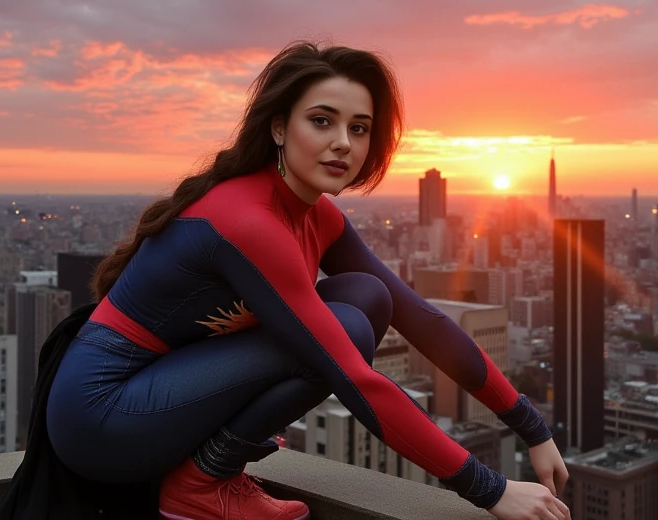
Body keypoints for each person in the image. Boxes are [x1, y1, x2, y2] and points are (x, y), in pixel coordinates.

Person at [45, 41, 571, 520]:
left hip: (165, 388)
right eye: (322, 121)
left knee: (368, 297)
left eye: (358, 128)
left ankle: (209, 470)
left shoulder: (317, 216)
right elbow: (354, 378)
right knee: (347, 328)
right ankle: (203, 483)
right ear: (279, 128)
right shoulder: (248, 221)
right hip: (102, 416)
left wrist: (531, 427)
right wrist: (491, 489)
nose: (342, 143)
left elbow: (421, 317)